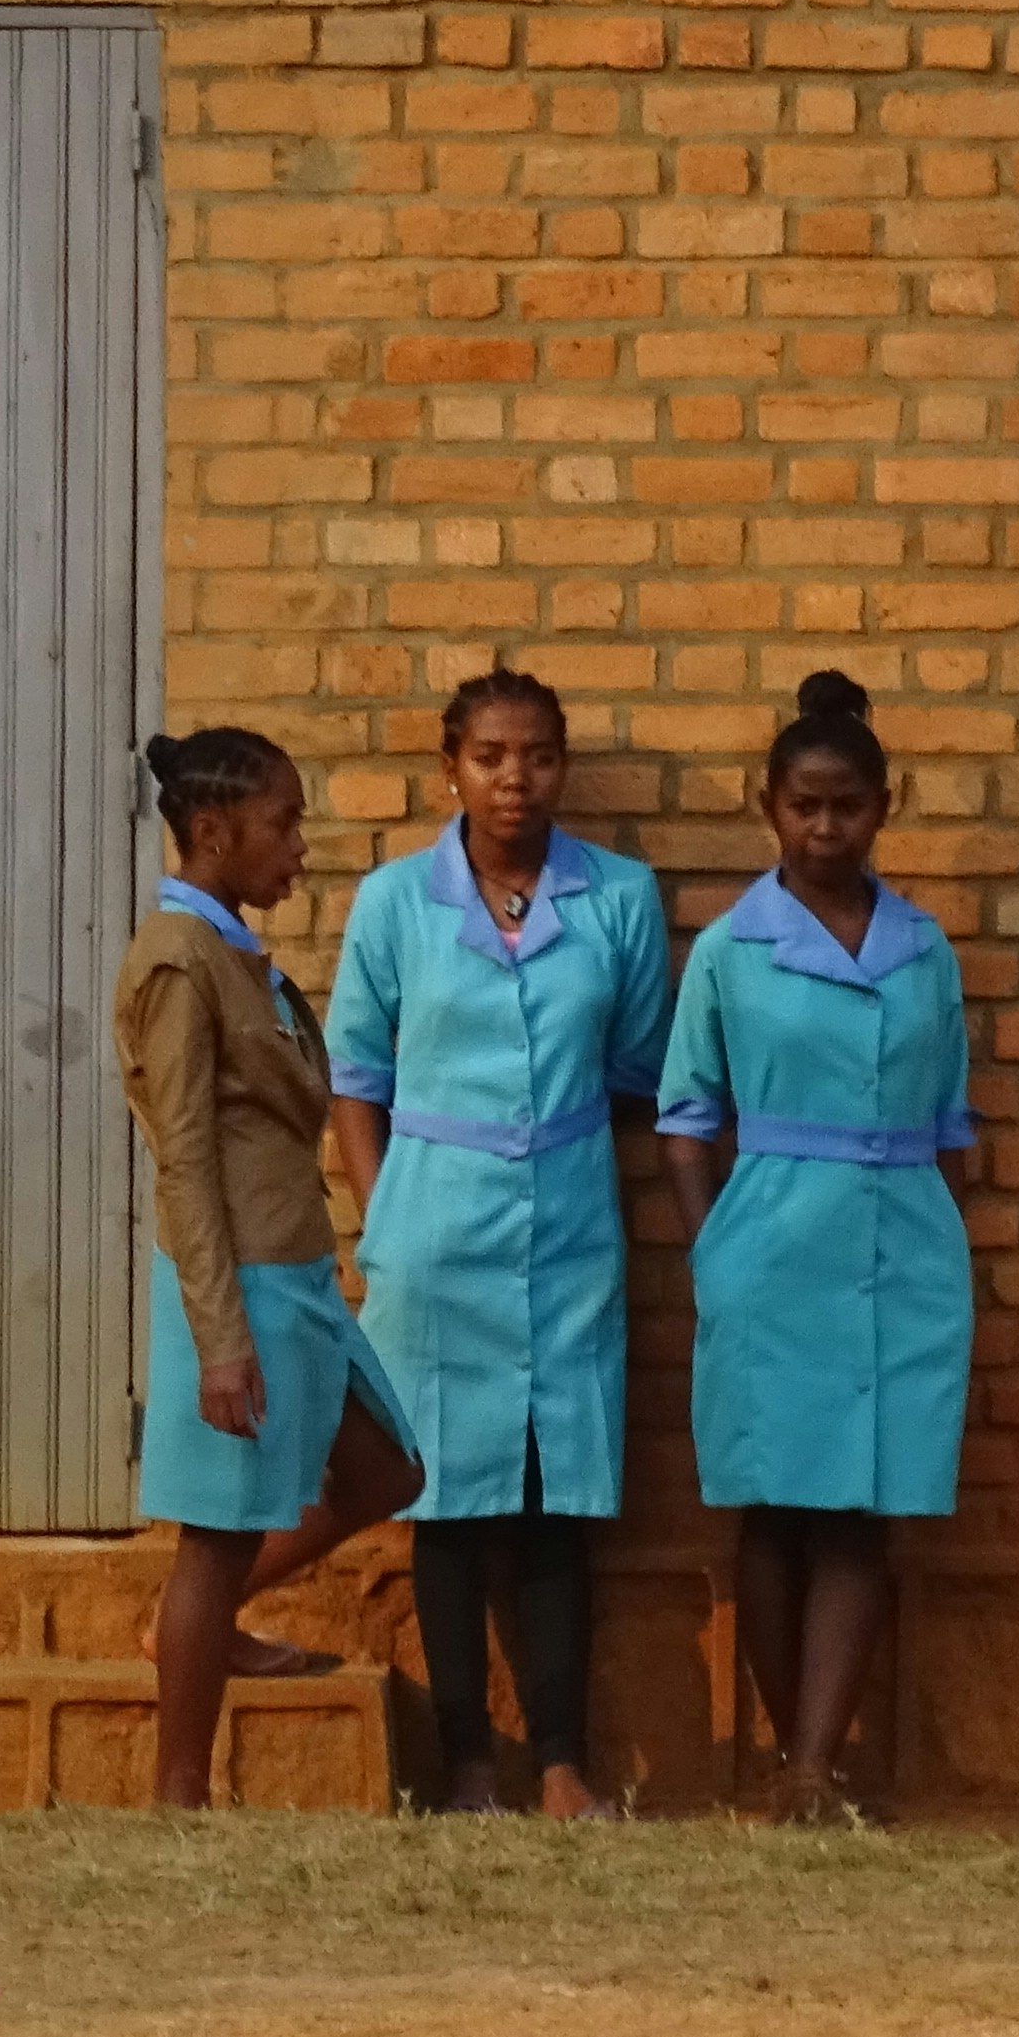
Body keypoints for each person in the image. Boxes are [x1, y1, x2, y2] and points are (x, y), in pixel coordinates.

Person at [325, 664, 674, 1818]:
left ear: (562, 766)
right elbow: (355, 1079)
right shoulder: (394, 904)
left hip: (568, 1230)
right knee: (446, 1500)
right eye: (490, 757)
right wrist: (384, 1218)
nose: (514, 780)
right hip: (430, 1234)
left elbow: (636, 1069)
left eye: (537, 756)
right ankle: (469, 1760)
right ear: (451, 769)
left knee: (554, 1494)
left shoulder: (619, 900)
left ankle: (562, 1761)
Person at [659, 667, 977, 1824]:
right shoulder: (731, 951)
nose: (825, 826)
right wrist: (714, 1257)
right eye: (804, 805)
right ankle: (782, 1759)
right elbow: (687, 1116)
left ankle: (812, 1764)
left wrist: (942, 1240)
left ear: (885, 806)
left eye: (848, 804)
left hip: (902, 1251)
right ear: (769, 806)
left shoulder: (923, 951)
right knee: (772, 1503)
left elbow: (949, 1123)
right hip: (770, 1246)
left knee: (862, 1504)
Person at [122, 722, 420, 1809]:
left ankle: (201, 1634)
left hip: (295, 1277)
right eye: (283, 824)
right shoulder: (174, 961)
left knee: (389, 1471)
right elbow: (186, 1162)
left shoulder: (232, 950)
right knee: (216, 1535)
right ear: (212, 831)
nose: (301, 846)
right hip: (237, 1283)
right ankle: (179, 1793)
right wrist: (218, 1341)